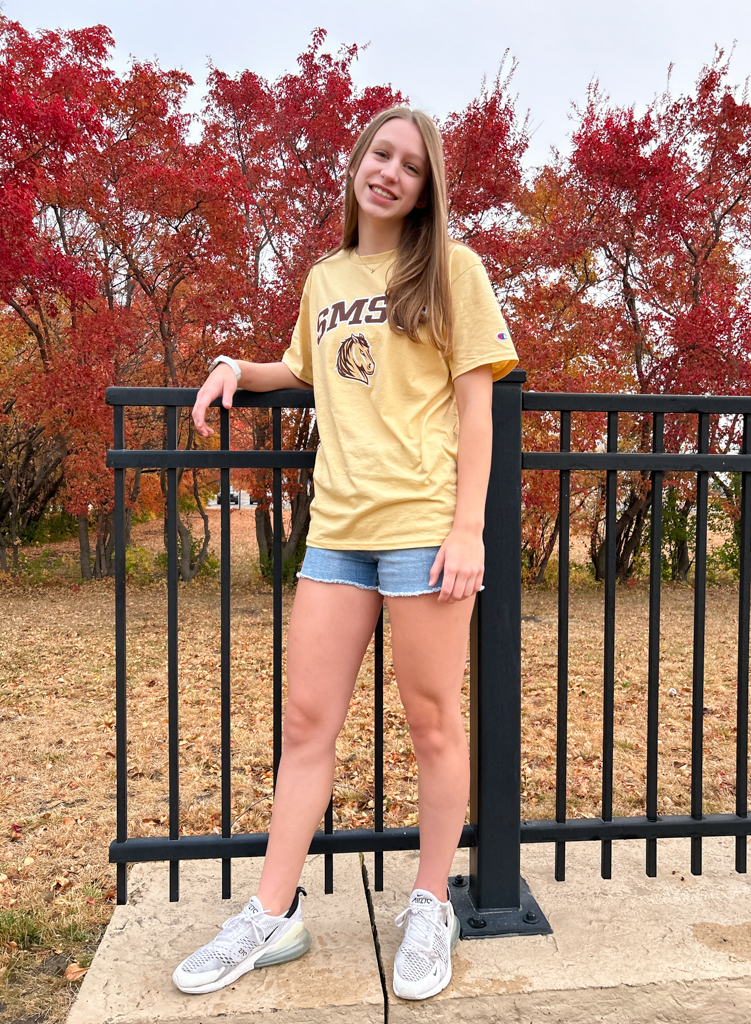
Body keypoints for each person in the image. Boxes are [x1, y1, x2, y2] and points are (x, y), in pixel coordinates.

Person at [172, 106, 517, 1002]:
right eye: (380, 153)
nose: (391, 171)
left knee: (434, 727)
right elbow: (304, 367)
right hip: (336, 534)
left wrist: (469, 528)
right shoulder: (325, 277)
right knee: (305, 725)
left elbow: (477, 409)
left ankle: (430, 903)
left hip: (420, 532)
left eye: (410, 164)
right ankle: (272, 916)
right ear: (357, 163)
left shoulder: (453, 270)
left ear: (425, 185)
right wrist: (234, 368)